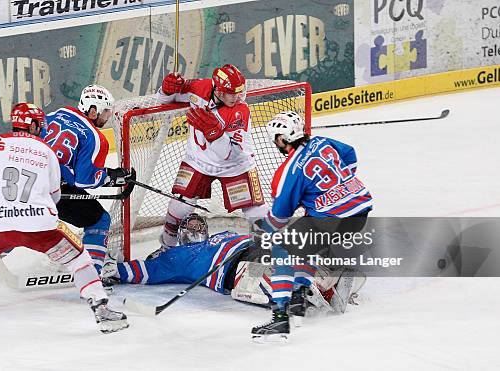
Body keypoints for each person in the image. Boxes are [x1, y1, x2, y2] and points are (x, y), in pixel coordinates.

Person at [0, 103, 128, 334]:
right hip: (41, 227)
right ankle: (101, 308)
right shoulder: (47, 152)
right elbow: (55, 195)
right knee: (80, 261)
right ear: (36, 125)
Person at [249, 111, 373, 343]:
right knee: (304, 241)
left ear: (281, 140)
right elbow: (350, 155)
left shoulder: (289, 171)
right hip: (360, 212)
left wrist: (263, 230)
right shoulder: (322, 142)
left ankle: (280, 318)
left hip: (332, 219)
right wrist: (337, 189)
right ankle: (299, 295)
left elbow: (278, 219)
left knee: (281, 248)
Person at [104, 213, 362, 312]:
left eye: (198, 224)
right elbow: (144, 270)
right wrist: (112, 270)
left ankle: (324, 283)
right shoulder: (177, 257)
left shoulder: (220, 235)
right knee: (259, 273)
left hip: (256, 247)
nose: (194, 227)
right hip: (234, 269)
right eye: (189, 226)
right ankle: (309, 290)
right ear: (181, 235)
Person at [150, 65, 268, 257]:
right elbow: (164, 100)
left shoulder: (240, 110)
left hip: (235, 166)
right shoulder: (199, 88)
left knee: (257, 211)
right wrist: (166, 89)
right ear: (219, 91)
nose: (239, 97)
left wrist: (213, 133)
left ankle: (270, 251)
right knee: (179, 206)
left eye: (241, 91)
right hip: (198, 161)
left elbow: (231, 154)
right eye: (233, 93)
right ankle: (167, 248)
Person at [42, 85, 133, 274]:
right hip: (55, 189)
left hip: (28, 175)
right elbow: (84, 181)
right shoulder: (95, 137)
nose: (108, 116)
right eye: (106, 111)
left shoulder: (59, 112)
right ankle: (91, 272)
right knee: (99, 220)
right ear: (93, 111)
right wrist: (111, 176)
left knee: (19, 215)